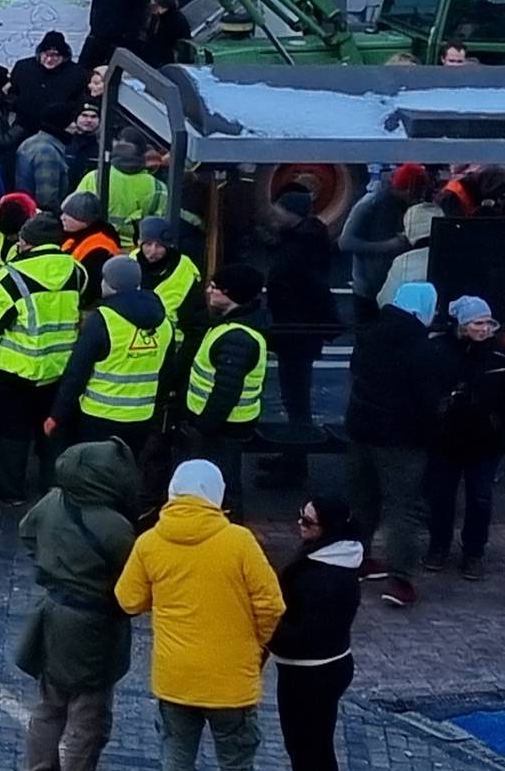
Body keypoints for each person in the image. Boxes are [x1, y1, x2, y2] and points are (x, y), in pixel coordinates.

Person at [116, 460, 285, 771]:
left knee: (176, 757)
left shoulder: (151, 542)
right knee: (237, 765)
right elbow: (272, 605)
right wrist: (254, 643)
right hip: (232, 680)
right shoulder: (239, 541)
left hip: (176, 677)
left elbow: (128, 599)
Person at [14, 441, 140, 771]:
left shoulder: (53, 501)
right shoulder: (115, 526)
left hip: (52, 616)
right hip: (92, 627)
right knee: (89, 718)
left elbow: (26, 533)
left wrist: (53, 565)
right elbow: (135, 578)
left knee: (49, 708)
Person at [346, 280, 456, 609]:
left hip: (361, 428)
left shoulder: (369, 333)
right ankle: (400, 579)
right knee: (403, 508)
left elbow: (355, 372)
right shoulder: (423, 347)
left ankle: (356, 558)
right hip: (402, 439)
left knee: (362, 499)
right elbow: (428, 398)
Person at [264, 497, 363, 771]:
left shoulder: (315, 573)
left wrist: (263, 630)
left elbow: (297, 631)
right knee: (322, 747)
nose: (299, 526)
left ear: (326, 529)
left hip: (304, 673)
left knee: (303, 751)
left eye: (307, 522)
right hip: (336, 665)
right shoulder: (346, 558)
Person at [0, 215, 85, 500]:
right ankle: (53, 485)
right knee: (52, 426)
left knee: (11, 428)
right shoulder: (77, 271)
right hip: (59, 367)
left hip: (14, 370)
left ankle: (11, 487)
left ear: (25, 241)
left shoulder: (6, 278)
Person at [48, 255, 166, 453]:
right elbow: (166, 373)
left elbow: (77, 373)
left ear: (109, 284)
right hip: (142, 417)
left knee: (95, 473)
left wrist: (57, 415)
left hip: (99, 417)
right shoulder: (163, 322)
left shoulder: (102, 320)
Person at [180, 264, 270, 511]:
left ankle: (226, 526)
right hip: (226, 425)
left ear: (232, 294)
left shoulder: (237, 338)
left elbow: (225, 391)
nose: (209, 291)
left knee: (222, 486)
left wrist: (203, 427)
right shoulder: (235, 327)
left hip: (221, 428)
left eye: (215, 287)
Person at [258, 187, 340, 460]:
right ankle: (292, 456)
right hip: (298, 329)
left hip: (296, 330)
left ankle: (295, 459)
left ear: (292, 215)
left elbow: (298, 285)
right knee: (295, 395)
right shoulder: (308, 240)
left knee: (295, 396)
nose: (274, 216)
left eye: (279, 211)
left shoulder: (300, 248)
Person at [339, 165, 428, 321]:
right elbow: (345, 242)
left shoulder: (406, 205)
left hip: (394, 284)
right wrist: (387, 246)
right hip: (368, 288)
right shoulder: (370, 204)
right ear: (408, 189)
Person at [6, 31, 87, 140]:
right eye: (46, 54)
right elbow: (12, 93)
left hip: (58, 132)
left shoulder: (77, 74)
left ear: (63, 56)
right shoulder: (23, 68)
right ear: (40, 53)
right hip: (23, 128)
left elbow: (79, 101)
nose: (49, 59)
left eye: (55, 55)